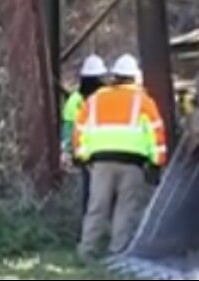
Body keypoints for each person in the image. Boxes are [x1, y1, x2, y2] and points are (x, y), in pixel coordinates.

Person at [73, 53, 168, 261]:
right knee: (126, 209)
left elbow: (79, 130)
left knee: (97, 206)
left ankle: (86, 251)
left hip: (100, 163)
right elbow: (156, 134)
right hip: (132, 165)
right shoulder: (144, 102)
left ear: (114, 76)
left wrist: (83, 157)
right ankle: (118, 253)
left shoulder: (95, 100)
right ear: (135, 78)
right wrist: (157, 163)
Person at [62, 54, 110, 215]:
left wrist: (67, 151)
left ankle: (89, 220)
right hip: (104, 149)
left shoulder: (74, 100)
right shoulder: (106, 96)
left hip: (84, 151)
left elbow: (68, 128)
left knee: (89, 189)